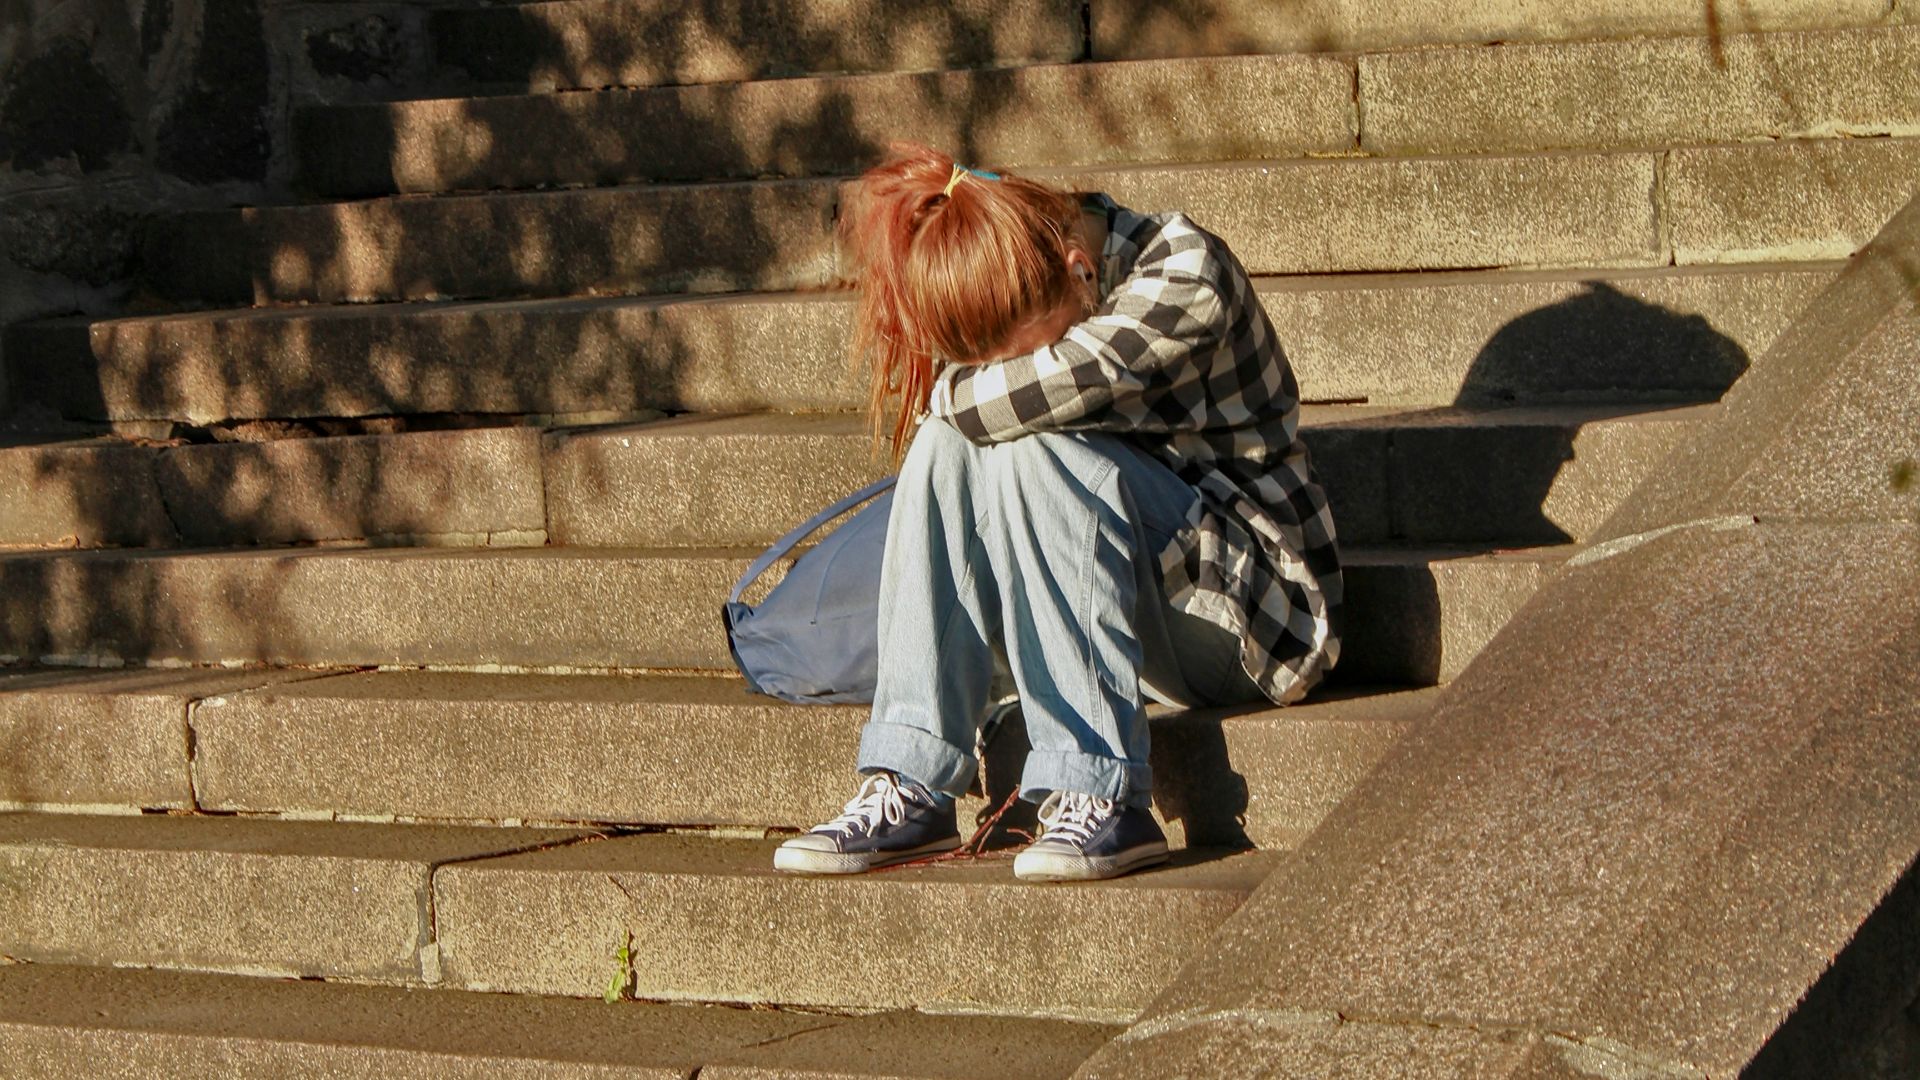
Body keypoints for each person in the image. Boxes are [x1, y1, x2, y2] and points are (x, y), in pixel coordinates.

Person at [773, 144, 1341, 882]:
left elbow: (999, 401)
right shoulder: (1046, 278)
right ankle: (912, 775)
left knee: (1021, 439)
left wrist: (953, 394)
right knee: (958, 445)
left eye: (1026, 351)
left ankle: (1100, 793)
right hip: (1132, 611)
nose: (1008, 370)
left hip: (1255, 618)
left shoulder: (1184, 272)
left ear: (1080, 267)